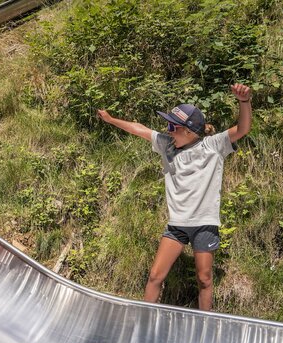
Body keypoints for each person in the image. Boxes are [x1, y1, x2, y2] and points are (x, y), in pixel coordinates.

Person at [97, 83, 252, 311]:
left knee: (204, 279)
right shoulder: (167, 145)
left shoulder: (213, 146)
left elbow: (242, 129)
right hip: (177, 225)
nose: (168, 130)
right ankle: (144, 320)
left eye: (172, 125)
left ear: (188, 131)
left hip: (204, 224)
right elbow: (139, 129)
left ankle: (204, 324)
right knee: (155, 276)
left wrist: (244, 102)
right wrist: (111, 120)